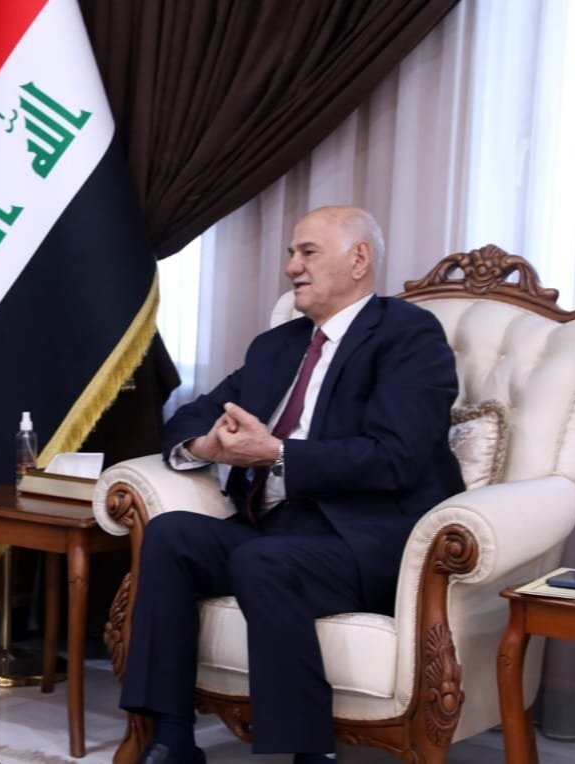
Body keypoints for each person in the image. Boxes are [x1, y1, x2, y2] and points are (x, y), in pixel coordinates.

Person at [122, 206, 464, 764]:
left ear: (359, 259)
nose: (291, 268)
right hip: (276, 530)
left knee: (264, 561)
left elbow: (397, 457)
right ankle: (172, 738)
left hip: (363, 543)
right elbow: (193, 414)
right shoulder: (277, 346)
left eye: (308, 253)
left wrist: (277, 453)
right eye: (290, 254)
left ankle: (308, 754)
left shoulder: (408, 336)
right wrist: (207, 446)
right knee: (171, 535)